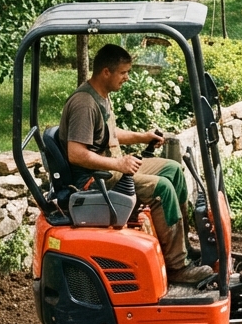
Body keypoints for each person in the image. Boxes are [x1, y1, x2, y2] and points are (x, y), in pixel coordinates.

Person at [58, 43, 212, 285]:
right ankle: (177, 268)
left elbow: (109, 133)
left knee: (173, 170)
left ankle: (181, 246)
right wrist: (119, 163)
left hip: (110, 171)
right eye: (123, 72)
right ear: (106, 72)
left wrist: (143, 136)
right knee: (161, 189)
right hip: (95, 180)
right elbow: (76, 154)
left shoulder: (100, 97)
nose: (127, 78)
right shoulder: (84, 104)